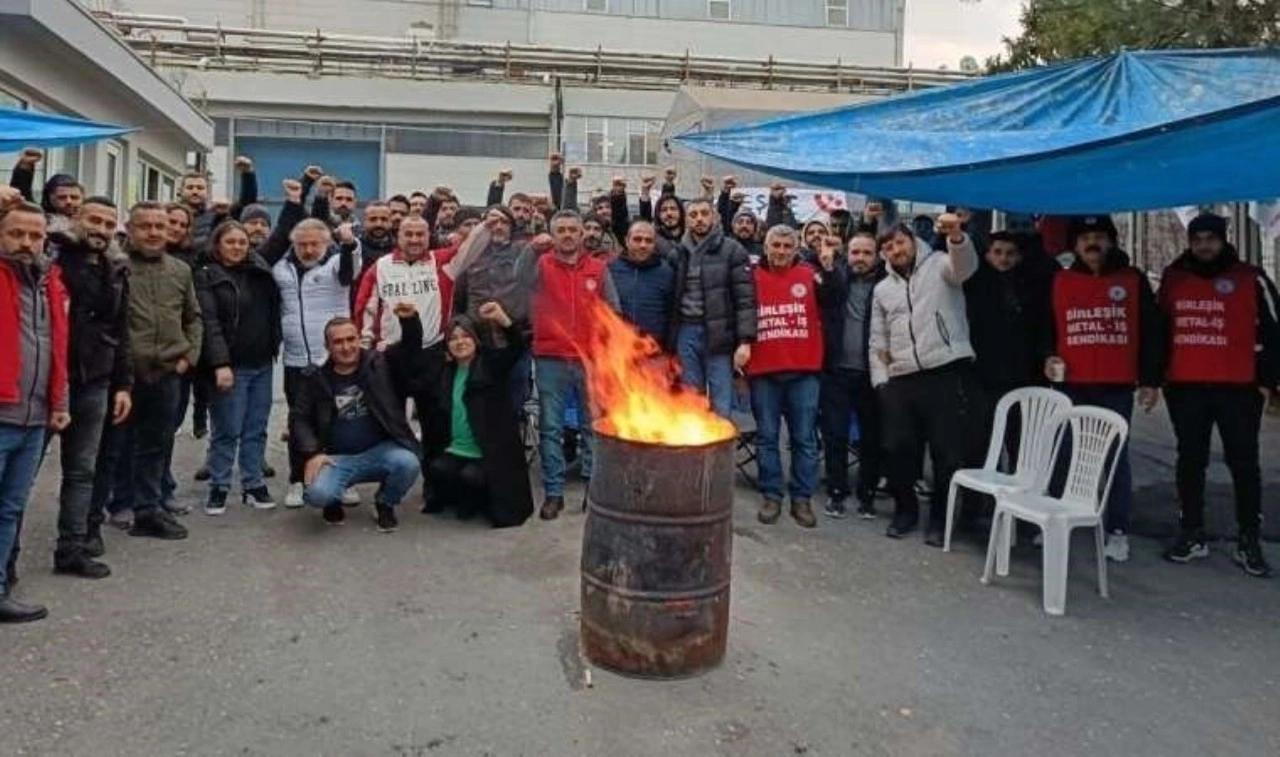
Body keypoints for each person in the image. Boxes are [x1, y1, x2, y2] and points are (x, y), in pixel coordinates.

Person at [1159, 213, 1280, 577]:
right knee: (1190, 460)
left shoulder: (1250, 278)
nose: (1204, 246)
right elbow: (1158, 327)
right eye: (1198, 240)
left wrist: (1269, 381)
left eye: (1210, 239)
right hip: (1187, 387)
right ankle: (1191, 531)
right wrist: (1158, 377)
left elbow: (1274, 330)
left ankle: (1249, 536)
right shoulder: (1173, 278)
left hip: (1238, 389)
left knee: (1243, 463)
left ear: (1223, 240)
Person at [1042, 214, 1164, 563]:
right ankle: (1055, 519)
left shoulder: (1132, 279)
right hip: (1071, 384)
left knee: (1114, 458)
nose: (1091, 243)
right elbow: (1046, 327)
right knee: (1064, 452)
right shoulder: (1061, 280)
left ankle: (1118, 529)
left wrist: (1150, 380)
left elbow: (1152, 332)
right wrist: (1047, 355)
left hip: (1116, 384)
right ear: (1075, 245)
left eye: (1098, 236)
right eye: (1084, 238)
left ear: (1110, 241)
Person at [90, 201, 200, 542]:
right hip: (124, 376)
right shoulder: (113, 267)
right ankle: (114, 505)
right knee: (115, 446)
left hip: (167, 372)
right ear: (130, 229)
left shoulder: (180, 270)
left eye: (160, 226)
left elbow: (193, 317)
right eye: (145, 226)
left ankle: (148, 509)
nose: (154, 233)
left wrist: (187, 357)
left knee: (157, 444)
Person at [870, 215, 980, 546]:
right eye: (888, 247)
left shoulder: (941, 264)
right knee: (898, 449)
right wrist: (881, 381)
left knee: (946, 452)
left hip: (943, 370)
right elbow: (878, 338)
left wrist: (957, 236)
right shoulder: (882, 289)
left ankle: (939, 519)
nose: (895, 250)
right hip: (901, 377)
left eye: (899, 243)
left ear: (912, 241)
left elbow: (965, 267)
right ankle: (905, 511)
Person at [44, 197, 133, 579]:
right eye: (93, 220)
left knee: (82, 470)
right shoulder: (51, 257)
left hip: (95, 380)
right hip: (47, 380)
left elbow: (121, 331)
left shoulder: (116, 268)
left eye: (108, 224)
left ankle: (72, 549)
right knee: (21, 473)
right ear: (76, 218)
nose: (100, 229)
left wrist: (123, 384)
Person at [354, 215, 484, 466]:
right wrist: (365, 351)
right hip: (391, 356)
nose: (414, 240)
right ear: (398, 236)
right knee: (391, 422)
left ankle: (434, 481)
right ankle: (394, 478)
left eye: (420, 234)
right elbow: (365, 310)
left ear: (429, 236)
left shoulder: (442, 262)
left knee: (435, 423)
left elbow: (473, 246)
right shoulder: (380, 266)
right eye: (408, 234)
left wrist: (489, 221)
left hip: (431, 354)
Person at [518, 210, 619, 520]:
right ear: (553, 234)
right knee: (551, 427)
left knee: (592, 427)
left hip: (590, 360)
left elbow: (613, 310)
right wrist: (531, 249)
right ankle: (554, 493)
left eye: (572, 229)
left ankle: (593, 491)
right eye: (560, 230)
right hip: (551, 357)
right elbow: (519, 277)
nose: (567, 235)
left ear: (582, 233)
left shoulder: (598, 268)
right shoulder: (541, 265)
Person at [290, 306, 427, 532]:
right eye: (338, 342)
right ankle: (332, 501)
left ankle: (384, 503)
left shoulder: (380, 363)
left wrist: (410, 321)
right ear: (327, 346)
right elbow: (299, 419)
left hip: (380, 451)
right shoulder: (315, 378)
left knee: (408, 463)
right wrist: (313, 453)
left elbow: (410, 348)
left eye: (350, 339)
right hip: (335, 458)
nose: (346, 347)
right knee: (317, 494)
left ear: (359, 339)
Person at [0, 195, 70, 623]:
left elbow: (55, 344)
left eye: (35, 235)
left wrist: (59, 401)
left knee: (10, 508)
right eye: (16, 234)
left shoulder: (50, 283)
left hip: (34, 417)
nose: (26, 243)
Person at [747, 225, 833, 528]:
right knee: (767, 438)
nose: (781, 251)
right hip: (763, 371)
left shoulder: (812, 274)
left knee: (804, 439)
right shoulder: (751, 276)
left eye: (787, 246)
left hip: (804, 371)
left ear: (796, 248)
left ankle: (802, 498)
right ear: (765, 246)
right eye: (776, 245)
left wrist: (830, 267)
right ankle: (771, 495)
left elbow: (835, 298)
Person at [194, 221, 282, 514]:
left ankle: (253, 484)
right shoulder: (206, 275)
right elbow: (209, 323)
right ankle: (219, 486)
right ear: (217, 245)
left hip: (262, 364)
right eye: (230, 242)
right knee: (227, 429)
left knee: (256, 428)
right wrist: (220, 363)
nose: (237, 247)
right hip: (231, 366)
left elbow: (282, 235)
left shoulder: (259, 270)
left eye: (242, 242)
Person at [274, 218, 362, 508]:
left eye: (315, 244)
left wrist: (349, 244)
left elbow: (350, 270)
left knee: (341, 419)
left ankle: (344, 479)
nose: (309, 250)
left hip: (332, 359)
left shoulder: (336, 264)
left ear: (326, 244)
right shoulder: (281, 268)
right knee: (298, 421)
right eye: (302, 244)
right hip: (296, 359)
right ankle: (297, 480)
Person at [425, 303, 535, 528]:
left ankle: (482, 501)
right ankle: (463, 500)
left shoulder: (492, 366)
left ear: (475, 339)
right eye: (453, 338)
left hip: (487, 452)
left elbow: (517, 347)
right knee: (438, 468)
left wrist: (503, 320)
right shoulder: (446, 373)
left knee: (471, 476)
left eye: (465, 336)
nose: (460, 342)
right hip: (457, 449)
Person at [667, 198, 756, 418]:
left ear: (714, 217)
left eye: (704, 213)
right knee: (691, 400)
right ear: (687, 221)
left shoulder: (732, 250)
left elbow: (745, 299)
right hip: (686, 331)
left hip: (719, 333)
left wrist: (745, 341)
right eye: (693, 215)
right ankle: (695, 441)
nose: (699, 219)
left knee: (721, 403)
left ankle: (721, 441)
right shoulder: (678, 253)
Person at [818, 229, 886, 520]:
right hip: (837, 370)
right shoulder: (837, 278)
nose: (860, 258)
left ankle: (867, 495)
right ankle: (837, 492)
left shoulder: (887, 283)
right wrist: (828, 265)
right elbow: (824, 295)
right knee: (835, 435)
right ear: (847, 254)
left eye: (867, 253)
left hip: (873, 373)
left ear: (877, 256)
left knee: (872, 437)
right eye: (855, 252)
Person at [610, 221, 675, 342]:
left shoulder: (666, 272)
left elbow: (672, 312)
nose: (643, 245)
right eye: (637, 239)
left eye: (648, 241)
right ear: (626, 241)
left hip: (653, 345)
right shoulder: (611, 268)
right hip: (619, 345)